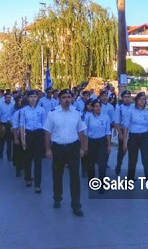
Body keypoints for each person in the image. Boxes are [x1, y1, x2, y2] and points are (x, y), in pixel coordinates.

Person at [44, 89, 87, 217]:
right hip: (58, 148)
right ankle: (57, 198)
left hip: (73, 147)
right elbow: (47, 132)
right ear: (59, 99)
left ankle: (76, 205)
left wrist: (83, 148)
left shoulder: (77, 113)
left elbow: (82, 132)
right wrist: (48, 149)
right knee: (57, 175)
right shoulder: (53, 114)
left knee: (75, 177)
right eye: (64, 97)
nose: (67, 99)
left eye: (69, 97)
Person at [122, 92, 148, 194]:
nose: (142, 101)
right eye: (140, 99)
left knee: (147, 161)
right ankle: (130, 182)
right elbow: (126, 128)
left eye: (144, 99)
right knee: (132, 160)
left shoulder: (147, 113)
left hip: (144, 138)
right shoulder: (130, 112)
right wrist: (124, 142)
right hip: (133, 138)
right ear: (136, 100)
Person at [19, 90, 47, 193]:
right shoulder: (24, 110)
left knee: (38, 160)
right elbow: (21, 125)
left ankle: (37, 184)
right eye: (31, 97)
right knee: (28, 158)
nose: (33, 99)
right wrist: (22, 139)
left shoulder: (42, 110)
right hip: (28, 134)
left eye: (35, 97)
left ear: (37, 98)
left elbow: (44, 125)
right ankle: (28, 178)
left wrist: (45, 141)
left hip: (38, 135)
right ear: (27, 98)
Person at [84, 99, 111, 193]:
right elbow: (86, 132)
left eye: (99, 106)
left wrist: (109, 145)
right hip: (91, 142)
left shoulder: (105, 117)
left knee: (102, 164)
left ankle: (102, 184)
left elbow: (108, 131)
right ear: (92, 107)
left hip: (102, 142)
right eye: (95, 106)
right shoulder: (88, 117)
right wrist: (85, 146)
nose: (98, 108)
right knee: (90, 164)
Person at [113, 90, 133, 175]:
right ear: (122, 98)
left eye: (128, 97)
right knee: (122, 151)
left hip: (132, 132)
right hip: (122, 131)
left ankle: (131, 174)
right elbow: (116, 122)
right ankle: (119, 164)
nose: (127, 99)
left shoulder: (134, 107)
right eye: (125, 97)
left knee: (132, 153)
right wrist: (120, 134)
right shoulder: (119, 108)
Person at [11, 95, 27, 177]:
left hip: (27, 136)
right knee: (19, 153)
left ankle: (26, 168)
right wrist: (16, 138)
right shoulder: (17, 113)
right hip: (19, 135)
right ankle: (18, 169)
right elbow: (14, 127)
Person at [0, 93, 15, 160]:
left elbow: (14, 115)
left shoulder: (12, 105)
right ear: (4, 98)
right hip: (3, 124)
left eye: (10, 97)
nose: (8, 99)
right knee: (2, 140)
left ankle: (8, 156)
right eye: (7, 97)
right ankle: (1, 153)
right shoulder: (1, 106)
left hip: (10, 124)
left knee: (9, 141)